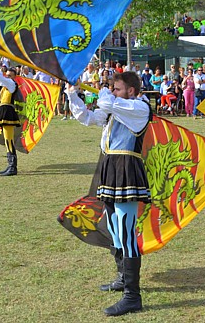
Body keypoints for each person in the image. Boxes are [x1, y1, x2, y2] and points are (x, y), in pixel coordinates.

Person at [68, 71, 152, 316]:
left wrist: (105, 92)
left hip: (127, 169)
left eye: (117, 88)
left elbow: (107, 102)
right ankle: (122, 279)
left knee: (126, 234)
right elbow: (88, 118)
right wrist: (73, 93)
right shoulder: (118, 107)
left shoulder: (139, 107)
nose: (113, 92)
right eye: (113, 88)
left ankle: (132, 297)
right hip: (109, 167)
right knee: (115, 229)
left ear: (131, 91)